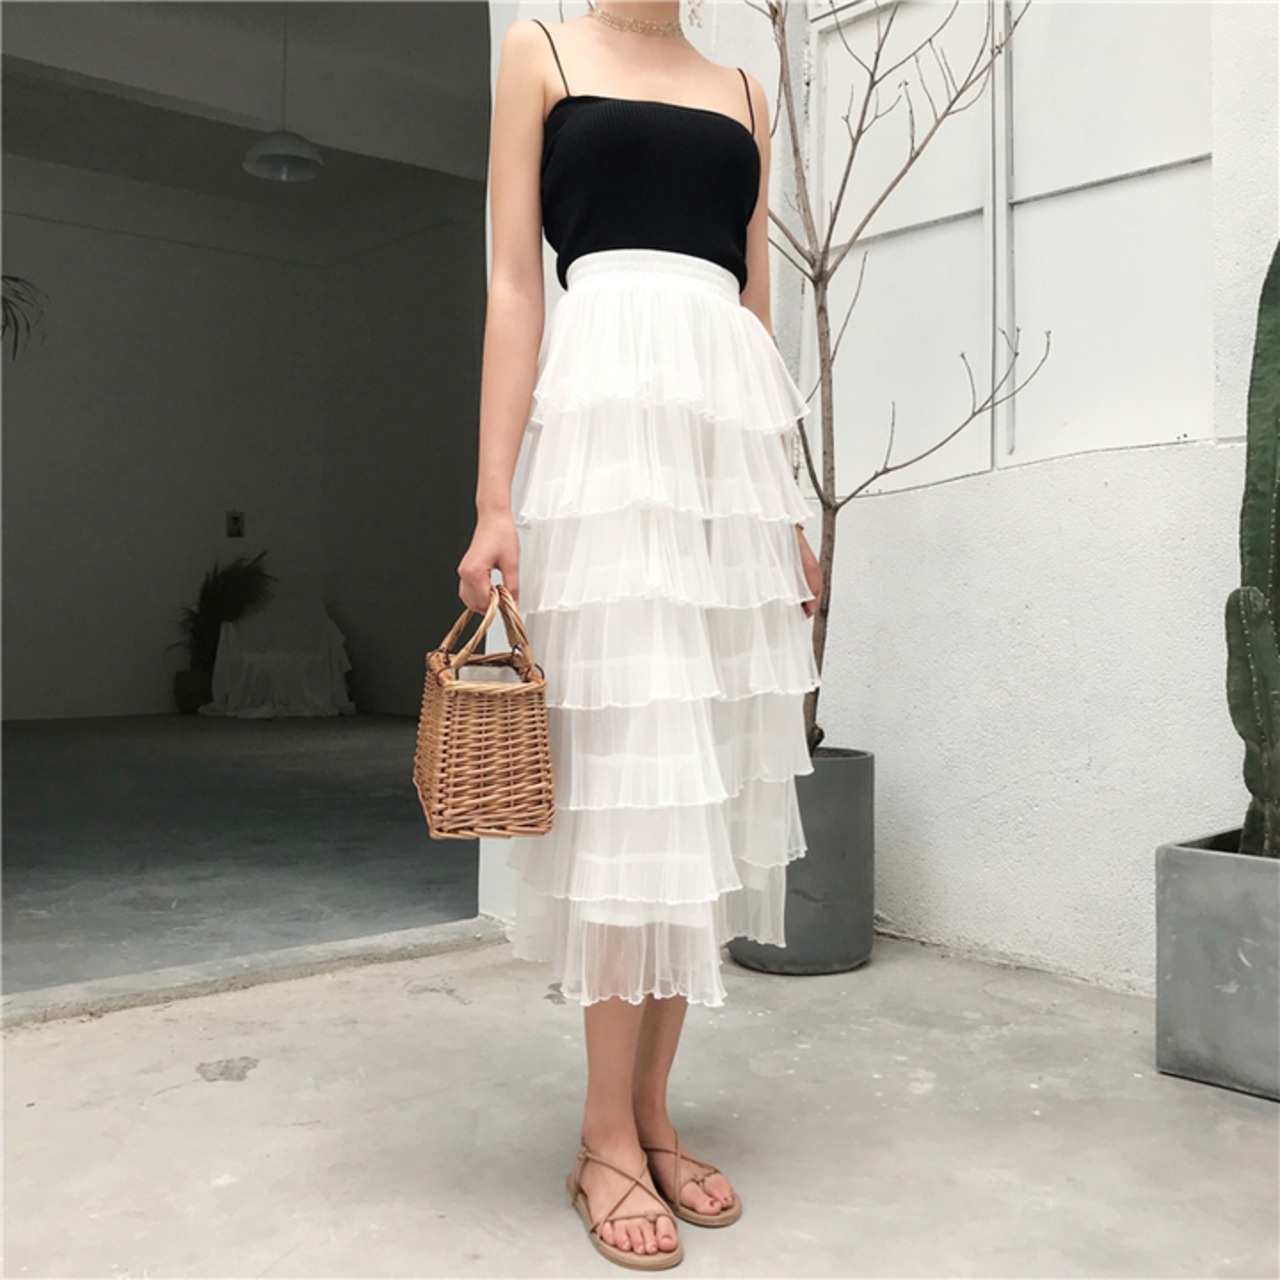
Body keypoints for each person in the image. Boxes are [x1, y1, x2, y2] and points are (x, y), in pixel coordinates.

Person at [456, 0, 823, 1268]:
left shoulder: (744, 89)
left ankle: (654, 1114)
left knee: (701, 780)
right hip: (606, 447)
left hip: (722, 458)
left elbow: (755, 316)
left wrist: (783, 507)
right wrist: (495, 498)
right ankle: (600, 1134)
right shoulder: (541, 52)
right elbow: (515, 283)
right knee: (627, 790)